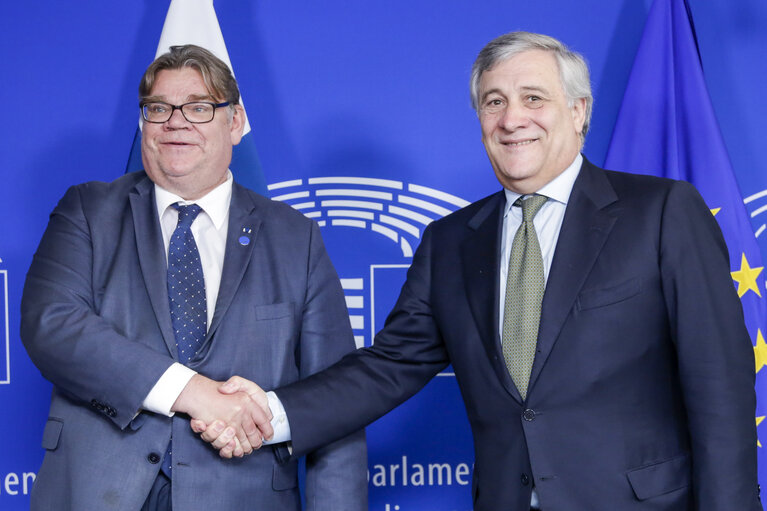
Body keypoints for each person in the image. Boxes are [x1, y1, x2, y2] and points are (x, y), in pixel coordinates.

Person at [199, 32, 760, 510]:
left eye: (533, 98)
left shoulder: (661, 212)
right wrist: (270, 412)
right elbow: (389, 366)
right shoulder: (450, 243)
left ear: (578, 110)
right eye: (494, 101)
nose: (512, 118)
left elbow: (720, 389)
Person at [20, 44, 366, 511]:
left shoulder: (295, 237)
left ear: (236, 121)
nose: (175, 122)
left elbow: (334, 401)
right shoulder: (86, 211)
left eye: (199, 108)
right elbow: (53, 325)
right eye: (158, 108)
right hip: (96, 494)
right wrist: (195, 393)